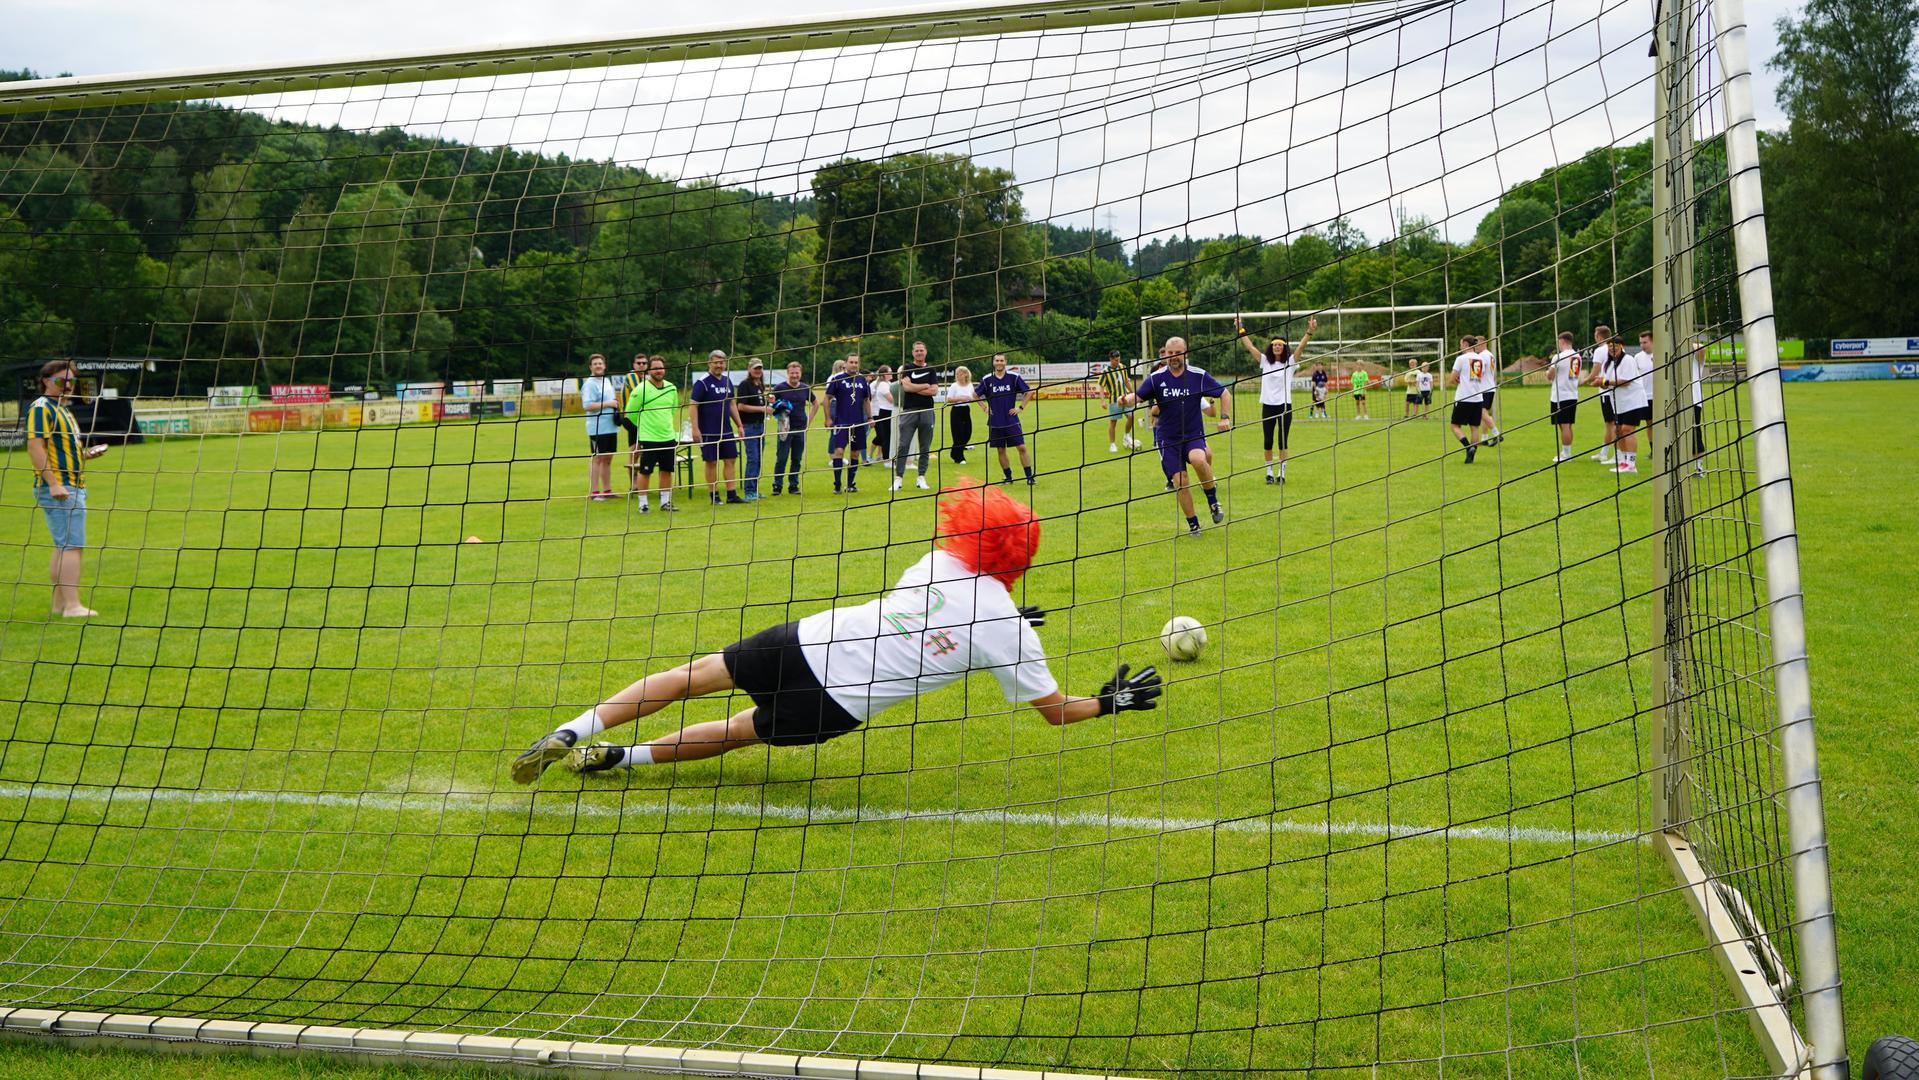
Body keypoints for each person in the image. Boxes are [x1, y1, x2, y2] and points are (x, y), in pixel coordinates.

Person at [509, 481, 1164, 782]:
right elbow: (1054, 711)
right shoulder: (1006, 632)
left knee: (688, 677)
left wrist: (1004, 622)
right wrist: (1109, 702)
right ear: (1023, 554)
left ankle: (574, 731)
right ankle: (623, 760)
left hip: (808, 641)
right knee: (737, 731)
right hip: (837, 704)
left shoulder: (935, 564)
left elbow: (932, 613)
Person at [1123, 336, 1231, 536]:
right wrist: (1125, 399)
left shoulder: (1198, 375)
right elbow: (1136, 397)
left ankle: (1213, 501)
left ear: (1185, 353)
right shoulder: (1156, 377)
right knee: (1181, 481)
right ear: (1165, 354)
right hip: (1167, 438)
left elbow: (1225, 393)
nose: (1173, 356)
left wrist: (1224, 418)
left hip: (1192, 433)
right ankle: (1193, 524)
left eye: (1178, 353)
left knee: (1199, 459)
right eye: (1170, 353)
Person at [26, 358, 108, 618]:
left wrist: (85, 455)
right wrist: (53, 483)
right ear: (46, 381)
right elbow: (35, 447)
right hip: (61, 487)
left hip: (71, 484)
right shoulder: (42, 408)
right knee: (72, 546)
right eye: (62, 381)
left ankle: (60, 605)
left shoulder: (63, 411)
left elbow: (61, 452)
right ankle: (73, 606)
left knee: (64, 545)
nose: (68, 386)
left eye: (72, 381)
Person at [1238, 315, 1316, 484]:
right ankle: (1269, 472)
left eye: (1280, 345)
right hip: (1268, 406)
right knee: (1268, 441)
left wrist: (1309, 331)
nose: (1277, 347)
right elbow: (1250, 346)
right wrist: (1241, 329)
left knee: (1282, 441)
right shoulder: (1265, 361)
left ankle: (1281, 473)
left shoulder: (1290, 362)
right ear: (1271, 347)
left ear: (1284, 347)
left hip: (1285, 406)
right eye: (1275, 345)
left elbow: (1301, 347)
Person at [690, 349, 746, 505]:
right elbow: (693, 406)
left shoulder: (727, 381)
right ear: (709, 363)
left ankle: (731, 495)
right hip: (708, 430)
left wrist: (739, 425)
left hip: (726, 430)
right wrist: (695, 428)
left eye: (721, 362)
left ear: (725, 364)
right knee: (711, 462)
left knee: (731, 459)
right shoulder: (702, 382)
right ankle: (714, 496)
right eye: (716, 362)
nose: (719, 365)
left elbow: (732, 404)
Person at [626, 356, 681, 512]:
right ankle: (643, 504)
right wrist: (645, 426)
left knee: (667, 470)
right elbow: (630, 413)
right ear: (649, 370)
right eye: (655, 368)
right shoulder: (640, 389)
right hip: (649, 438)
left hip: (668, 437)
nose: (658, 371)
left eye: (661, 368)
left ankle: (665, 502)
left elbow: (673, 410)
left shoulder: (671, 388)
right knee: (645, 471)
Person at [976, 353, 1036, 486]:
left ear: (1005, 362)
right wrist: (984, 407)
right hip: (995, 422)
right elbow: (975, 394)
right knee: (1001, 450)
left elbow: (1029, 392)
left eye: (1001, 360)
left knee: (1021, 447)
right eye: (997, 360)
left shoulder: (1013, 377)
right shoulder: (987, 379)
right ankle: (1008, 478)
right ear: (993, 362)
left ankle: (1030, 477)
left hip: (1011, 420)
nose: (999, 363)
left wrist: (1020, 407)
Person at [1601, 332, 1654, 475]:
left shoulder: (1628, 360)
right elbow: (1606, 383)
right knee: (1617, 430)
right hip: (1619, 403)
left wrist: (1605, 382)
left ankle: (1631, 464)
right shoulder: (1610, 364)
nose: (1612, 349)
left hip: (1633, 401)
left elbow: (1626, 381)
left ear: (1622, 346)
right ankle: (1624, 462)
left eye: (1615, 346)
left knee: (1627, 429)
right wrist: (1600, 383)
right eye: (1610, 346)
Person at [890, 341, 940, 491]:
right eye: (916, 350)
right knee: (903, 445)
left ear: (926, 352)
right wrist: (924, 386)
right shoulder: (907, 368)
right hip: (909, 411)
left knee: (925, 447)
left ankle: (921, 477)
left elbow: (934, 391)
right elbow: (906, 387)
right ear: (913, 353)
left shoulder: (931, 369)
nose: (919, 353)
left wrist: (914, 387)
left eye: (921, 350)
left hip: (927, 411)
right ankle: (898, 478)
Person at [824, 352, 872, 493]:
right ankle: (837, 485)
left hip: (858, 423)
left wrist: (870, 417)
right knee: (839, 451)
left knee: (855, 454)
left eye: (856, 362)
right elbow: (826, 398)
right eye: (851, 362)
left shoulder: (863, 380)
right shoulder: (837, 379)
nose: (854, 365)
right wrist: (828, 418)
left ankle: (850, 484)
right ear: (845, 363)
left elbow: (866, 400)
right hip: (841, 422)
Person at [771, 361, 819, 495]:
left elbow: (816, 404)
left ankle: (793, 485)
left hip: (800, 429)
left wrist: (808, 421)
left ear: (800, 374)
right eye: (792, 373)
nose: (794, 375)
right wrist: (777, 409)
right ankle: (777, 485)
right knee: (782, 458)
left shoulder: (805, 388)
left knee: (796, 459)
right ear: (788, 373)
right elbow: (770, 403)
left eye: (797, 373)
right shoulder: (779, 388)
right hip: (784, 429)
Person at [581, 354, 621, 500]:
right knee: (597, 458)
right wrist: (608, 404)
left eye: (600, 363)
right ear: (590, 367)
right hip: (597, 428)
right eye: (595, 364)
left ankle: (607, 490)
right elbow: (587, 406)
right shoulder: (589, 384)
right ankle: (594, 492)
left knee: (608, 458)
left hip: (610, 426)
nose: (598, 366)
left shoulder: (606, 381)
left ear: (604, 366)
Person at [1447, 336, 1492, 464]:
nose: (1460, 346)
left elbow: (1452, 379)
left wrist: (1458, 379)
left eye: (1461, 344)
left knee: (1455, 426)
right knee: (1475, 428)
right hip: (1478, 398)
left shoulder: (1461, 359)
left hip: (1463, 397)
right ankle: (1471, 454)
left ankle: (1468, 447)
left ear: (1466, 344)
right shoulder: (1481, 359)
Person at [1547, 331, 1582, 462]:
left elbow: (1550, 376)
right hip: (1572, 393)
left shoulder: (1558, 357)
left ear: (1562, 341)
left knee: (1564, 425)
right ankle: (1567, 452)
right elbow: (1572, 374)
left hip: (1560, 395)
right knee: (1568, 425)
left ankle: (1567, 455)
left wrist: (1547, 372)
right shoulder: (1577, 356)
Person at [1096, 350, 1138, 453]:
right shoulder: (1105, 371)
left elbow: (1127, 381)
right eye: (1116, 360)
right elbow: (1101, 386)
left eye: (1119, 359)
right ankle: (1112, 444)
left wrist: (1133, 393)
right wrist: (1102, 401)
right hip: (1114, 401)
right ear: (1110, 359)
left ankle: (1126, 436)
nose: (1118, 361)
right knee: (1113, 422)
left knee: (1131, 416)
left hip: (1125, 398)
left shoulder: (1122, 367)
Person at [1588, 325, 1618, 463]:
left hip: (1606, 391)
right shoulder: (1616, 348)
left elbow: (1596, 370)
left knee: (1611, 423)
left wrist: (1584, 380)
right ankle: (1605, 453)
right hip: (1614, 390)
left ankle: (1614, 454)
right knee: (1612, 423)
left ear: (1599, 336)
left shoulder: (1600, 350)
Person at [619, 352, 648, 491]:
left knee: (640, 450)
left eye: (644, 363)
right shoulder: (632, 376)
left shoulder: (646, 378)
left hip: (643, 419)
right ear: (634, 365)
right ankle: (634, 484)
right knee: (635, 450)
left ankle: (638, 483)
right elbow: (641, 391)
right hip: (631, 418)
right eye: (639, 363)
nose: (641, 365)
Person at [1471, 336, 1502, 444]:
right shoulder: (1490, 355)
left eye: (1476, 344)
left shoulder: (1482, 356)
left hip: (1484, 388)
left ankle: (1497, 434)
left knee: (1482, 412)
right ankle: (1484, 438)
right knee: (1484, 414)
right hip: (1490, 387)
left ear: (1483, 343)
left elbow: (1478, 373)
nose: (1475, 347)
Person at [946, 365, 976, 464]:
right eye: (956, 374)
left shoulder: (970, 385)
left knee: (967, 433)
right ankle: (959, 457)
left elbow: (973, 397)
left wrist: (970, 398)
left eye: (960, 373)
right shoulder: (954, 386)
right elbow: (949, 399)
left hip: (966, 410)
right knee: (958, 434)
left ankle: (954, 452)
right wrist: (960, 398)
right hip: (956, 410)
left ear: (965, 374)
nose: (958, 375)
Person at [869, 365, 895, 465]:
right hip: (883, 411)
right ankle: (886, 459)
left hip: (887, 411)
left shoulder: (888, 383)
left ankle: (885, 456)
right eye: (889, 372)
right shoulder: (882, 385)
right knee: (885, 436)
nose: (891, 373)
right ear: (884, 374)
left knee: (886, 435)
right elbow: (891, 399)